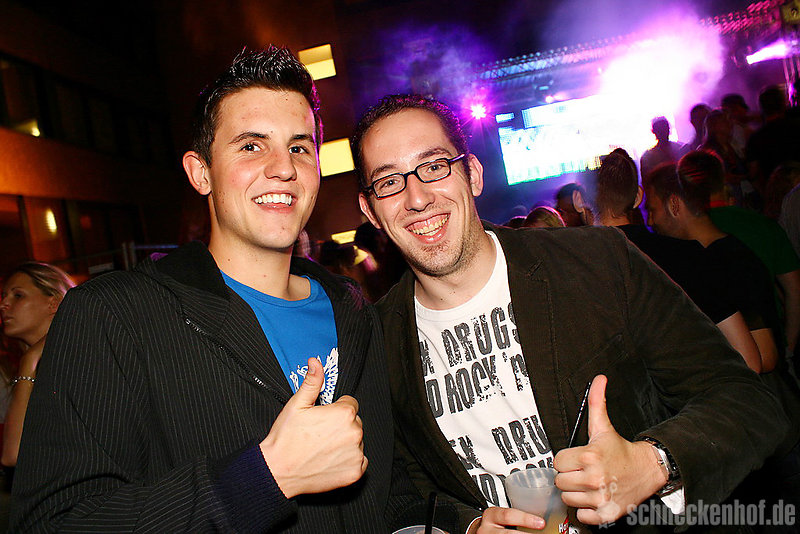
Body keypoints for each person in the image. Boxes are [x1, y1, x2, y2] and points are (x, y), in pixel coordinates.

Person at [11, 48, 451, 533]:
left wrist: (449, 526)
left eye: (299, 148)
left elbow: (389, 489)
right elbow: (54, 524)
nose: (283, 168)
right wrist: (265, 478)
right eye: (251, 146)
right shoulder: (113, 316)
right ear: (200, 172)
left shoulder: (352, 309)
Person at [351, 94, 788, 533]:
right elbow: (405, 494)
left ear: (473, 174)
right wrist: (468, 526)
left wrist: (653, 463)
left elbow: (748, 400)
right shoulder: (377, 341)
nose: (417, 197)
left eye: (434, 166)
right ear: (370, 210)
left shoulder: (596, 262)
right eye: (389, 182)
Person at [593, 152, 762, 370]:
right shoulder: (688, 256)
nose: (651, 220)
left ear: (579, 200)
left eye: (652, 211)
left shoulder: (576, 273)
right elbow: (749, 360)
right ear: (637, 197)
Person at [0, 263, 74, 468]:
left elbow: (14, 454)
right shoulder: (35, 367)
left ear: (54, 303)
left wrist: (29, 360)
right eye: (3, 296)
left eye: (18, 295)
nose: (3, 304)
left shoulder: (74, 361)